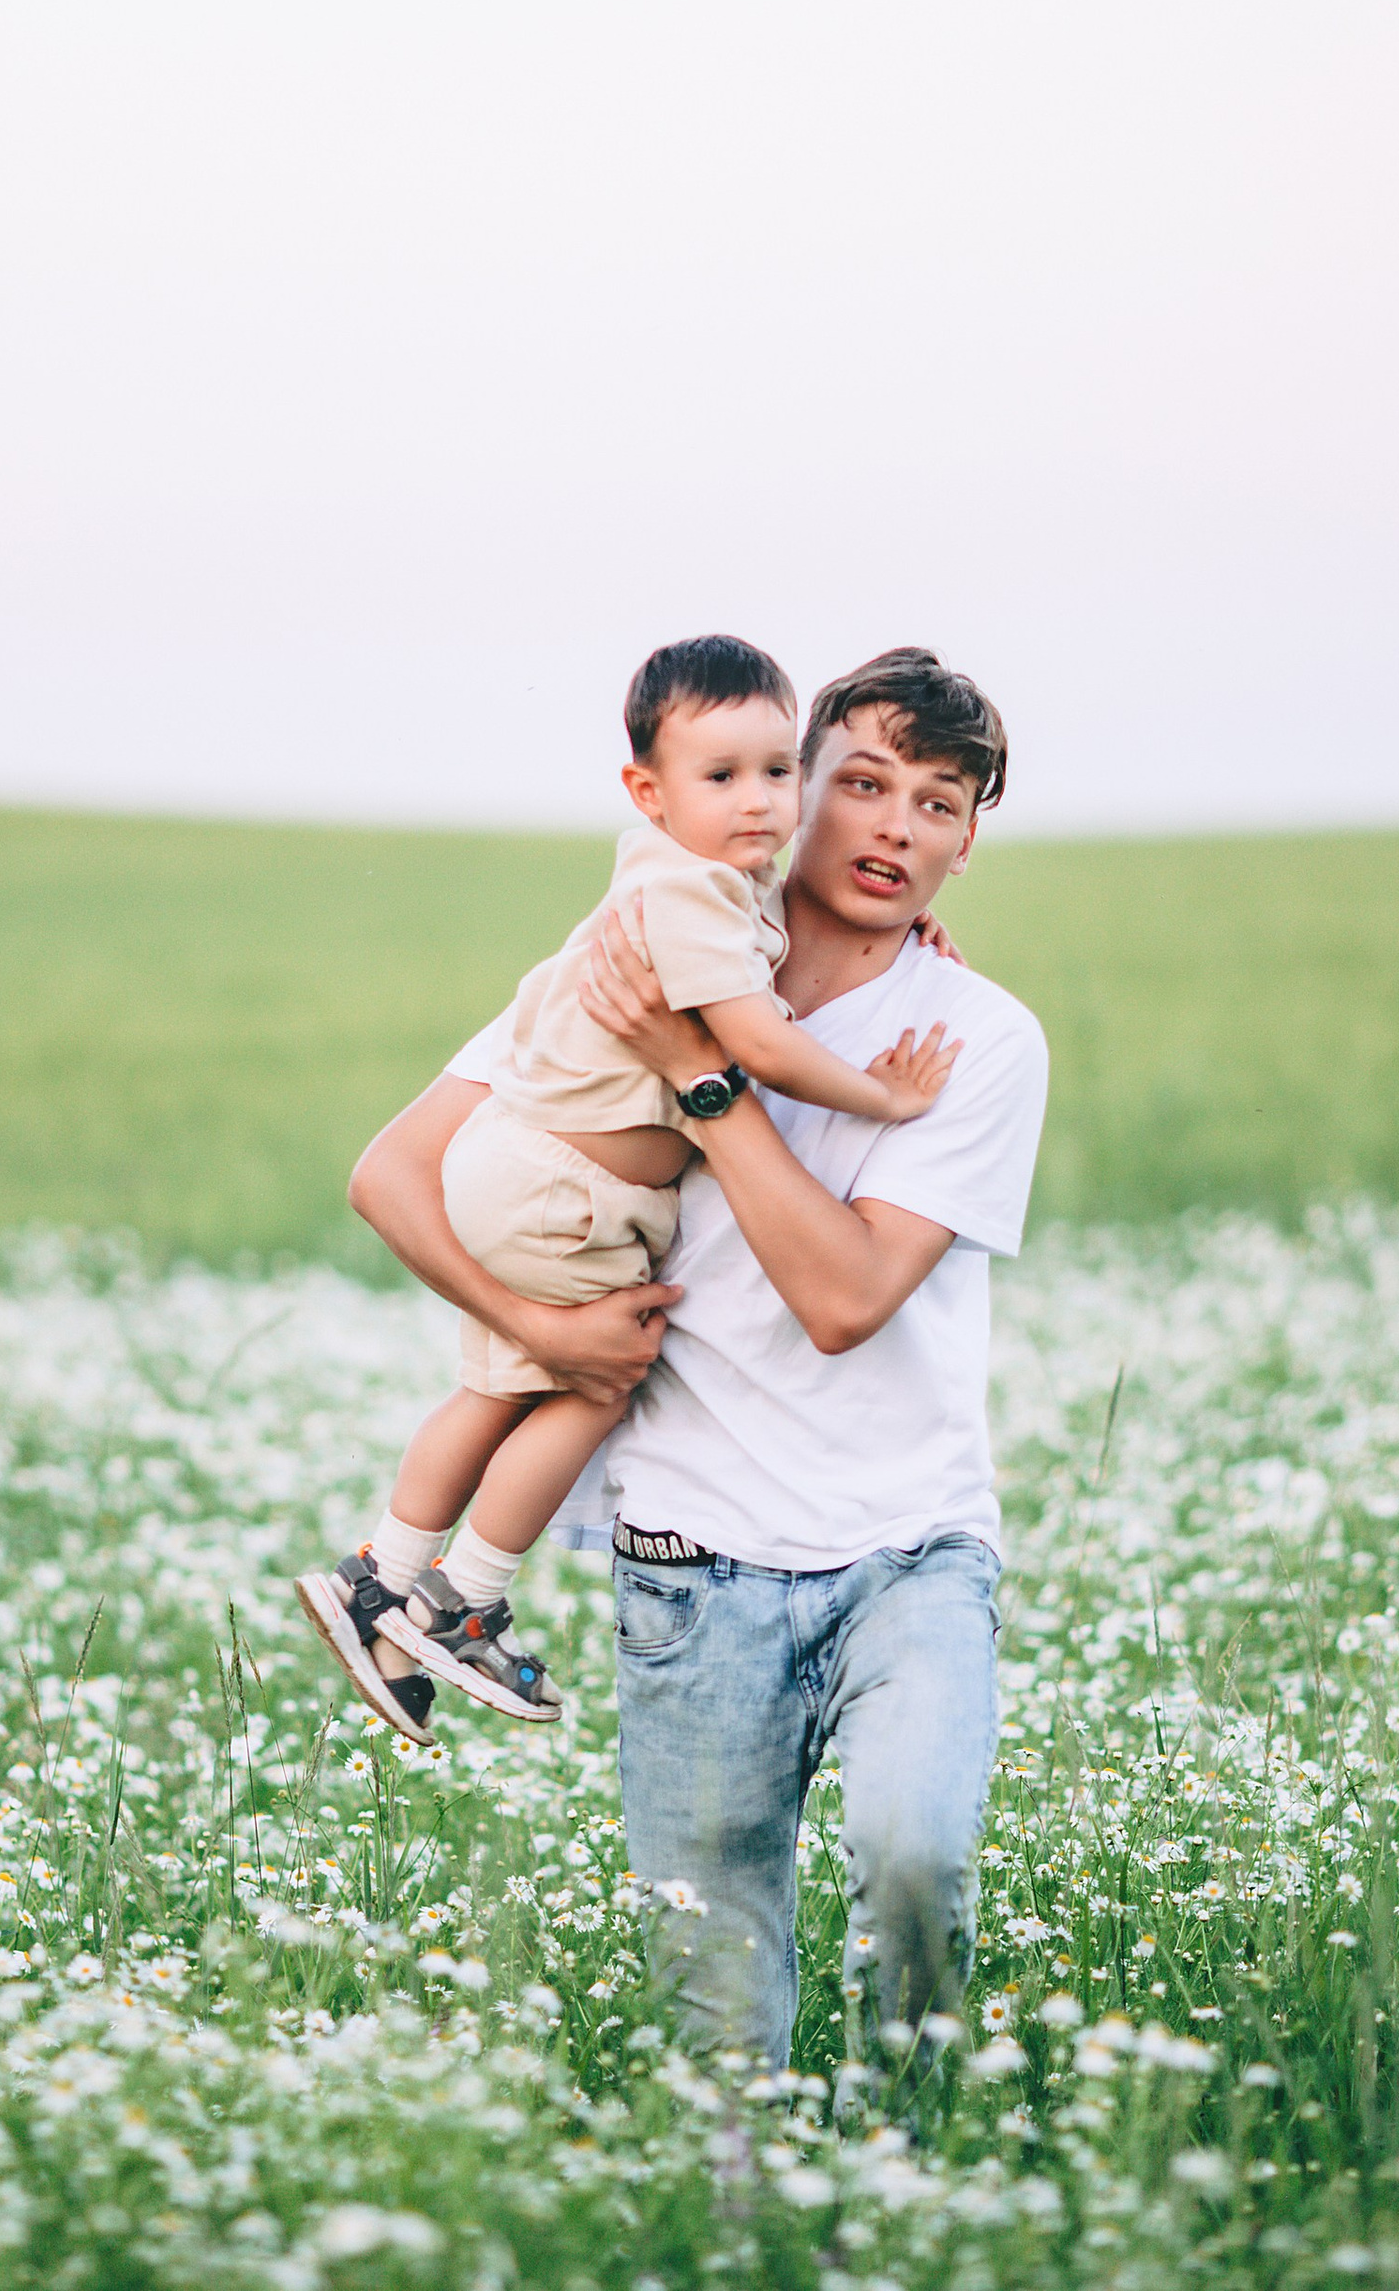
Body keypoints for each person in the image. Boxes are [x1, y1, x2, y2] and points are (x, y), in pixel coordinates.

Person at [347, 646, 1047, 2078]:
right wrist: (541, 1335)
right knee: (716, 2026)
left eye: (938, 803)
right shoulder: (636, 952)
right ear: (799, 796)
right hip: (690, 1556)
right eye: (860, 785)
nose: (893, 830)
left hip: (910, 1544)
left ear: (969, 837)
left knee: (916, 1860)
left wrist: (705, 1075)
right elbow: (394, 1173)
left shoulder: (978, 1038)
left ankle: (901, 2196)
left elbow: (843, 1298)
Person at [296, 635, 961, 1742]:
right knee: (593, 1382)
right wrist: (877, 1094)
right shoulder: (689, 898)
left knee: (498, 1389)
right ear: (648, 793)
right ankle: (463, 1601)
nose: (758, 800)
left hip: (536, 1177)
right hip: (569, 1191)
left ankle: (383, 1573)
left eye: (774, 771)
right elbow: (760, 1038)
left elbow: (774, 948)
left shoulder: (696, 885)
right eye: (720, 776)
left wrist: (898, 942)